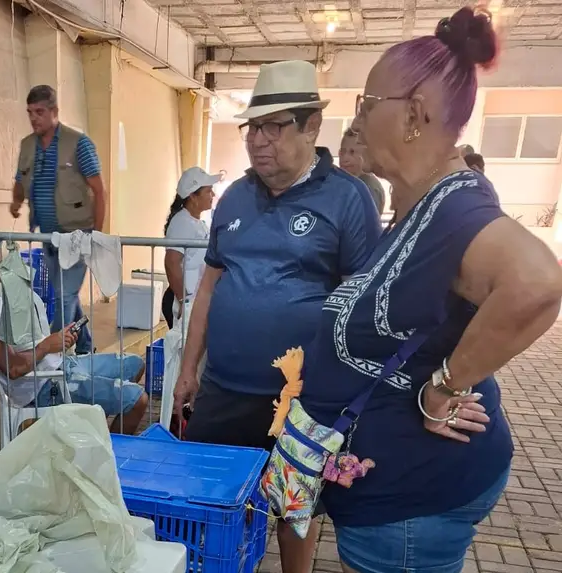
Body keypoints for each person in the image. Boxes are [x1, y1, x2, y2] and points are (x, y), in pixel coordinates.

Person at [296, 8, 562, 572]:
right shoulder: (420, 206)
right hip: (398, 500)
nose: (358, 121)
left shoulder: (454, 206)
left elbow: (538, 281)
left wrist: (444, 387)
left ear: (414, 116)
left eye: (367, 106)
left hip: (409, 509)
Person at [173, 60, 381, 573]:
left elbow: (363, 305)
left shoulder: (348, 200)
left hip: (301, 400)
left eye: (274, 126)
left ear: (311, 126)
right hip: (223, 387)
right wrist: (187, 369)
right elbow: (210, 285)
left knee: (294, 509)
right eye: (252, 129)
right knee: (208, 498)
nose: (258, 141)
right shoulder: (234, 198)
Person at [0, 237, 149, 434]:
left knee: (134, 363)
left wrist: (56, 341)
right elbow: (12, 367)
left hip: (58, 366)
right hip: (45, 385)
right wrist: (47, 346)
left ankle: (92, 429)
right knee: (137, 400)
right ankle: (108, 456)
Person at [10, 85, 106, 355]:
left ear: (54, 112)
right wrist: (16, 202)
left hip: (76, 235)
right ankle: (86, 346)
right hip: (48, 236)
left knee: (64, 296)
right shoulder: (27, 145)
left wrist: (95, 235)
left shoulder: (79, 144)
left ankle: (53, 357)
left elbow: (99, 190)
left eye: (39, 112)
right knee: (68, 295)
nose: (34, 118)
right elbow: (20, 179)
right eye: (30, 113)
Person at [161, 167, 218, 328]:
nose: (212, 195)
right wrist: (183, 301)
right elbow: (172, 263)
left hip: (194, 297)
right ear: (193, 196)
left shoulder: (198, 222)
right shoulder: (182, 223)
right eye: (208, 191)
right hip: (183, 298)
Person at [339, 128, 387, 215]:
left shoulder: (368, 188)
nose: (344, 158)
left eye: (352, 152)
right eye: (342, 152)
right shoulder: (348, 183)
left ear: (365, 154)